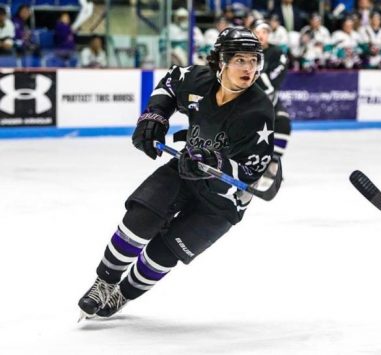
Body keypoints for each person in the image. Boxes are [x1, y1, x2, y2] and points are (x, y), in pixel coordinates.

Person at [77, 27, 275, 319]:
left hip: (223, 201)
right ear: (221, 61)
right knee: (140, 217)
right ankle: (104, 282)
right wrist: (154, 116)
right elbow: (169, 82)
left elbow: (251, 172)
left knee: (164, 253)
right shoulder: (197, 79)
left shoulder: (258, 110)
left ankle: (123, 294)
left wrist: (216, 164)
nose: (249, 69)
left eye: (254, 60)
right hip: (185, 170)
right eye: (240, 60)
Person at [252, 19, 291, 178]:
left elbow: (273, 81)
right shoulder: (244, 52)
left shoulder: (277, 53)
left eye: (265, 32)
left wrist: (259, 77)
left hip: (269, 100)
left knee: (283, 122)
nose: (262, 35)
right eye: (258, 31)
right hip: (246, 101)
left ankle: (273, 162)